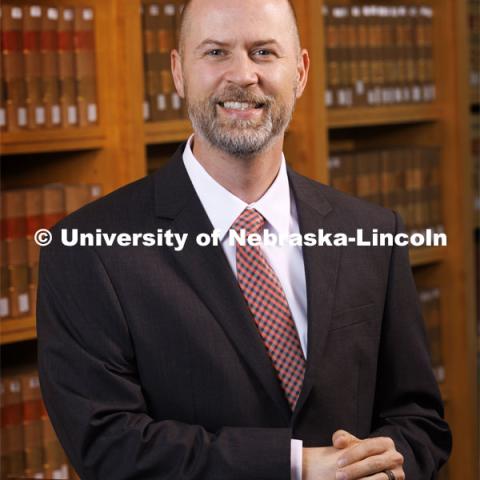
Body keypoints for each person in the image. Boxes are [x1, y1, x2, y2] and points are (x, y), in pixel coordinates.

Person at [37, 0, 451, 479]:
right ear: (177, 72)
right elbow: (107, 445)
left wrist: (384, 470)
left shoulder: (373, 232)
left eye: (263, 52)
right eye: (215, 52)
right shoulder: (87, 248)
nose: (242, 75)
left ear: (300, 72)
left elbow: (419, 421)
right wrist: (295, 465)